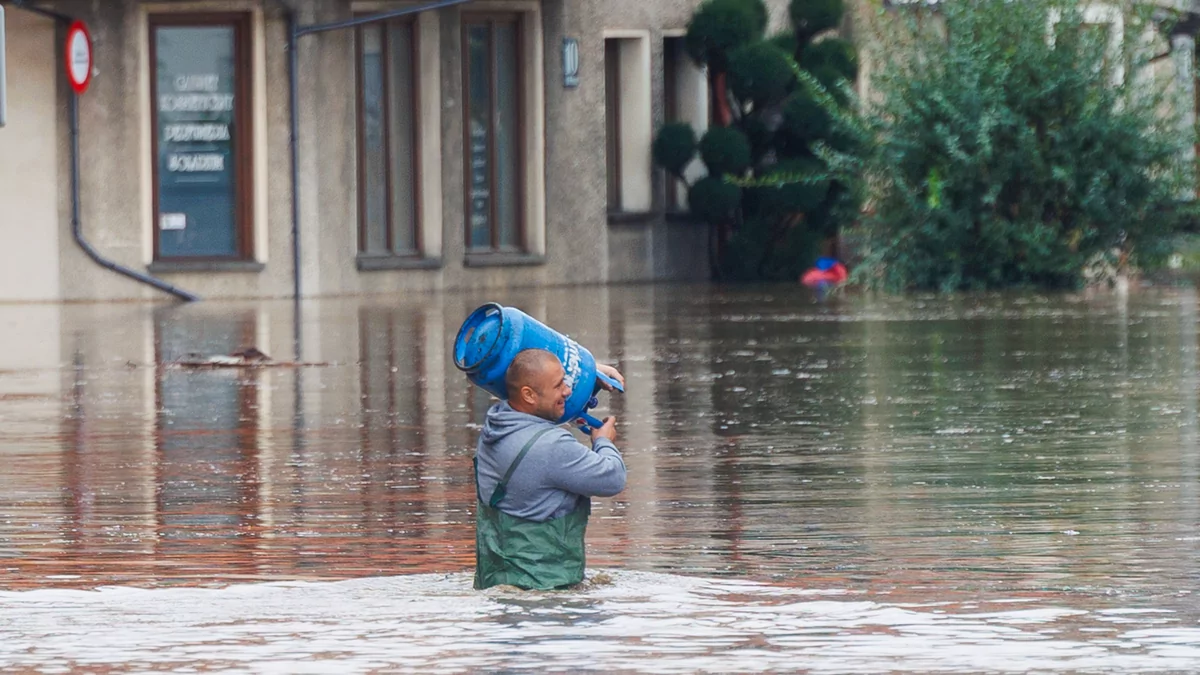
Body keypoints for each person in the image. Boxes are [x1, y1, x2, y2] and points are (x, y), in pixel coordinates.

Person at [473, 348, 627, 590]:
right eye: (558, 386)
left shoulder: (496, 425)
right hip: (548, 591)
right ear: (529, 395)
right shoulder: (553, 446)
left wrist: (589, 377)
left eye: (566, 382)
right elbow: (613, 478)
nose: (566, 390)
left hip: (495, 586)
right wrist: (603, 441)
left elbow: (527, 376)